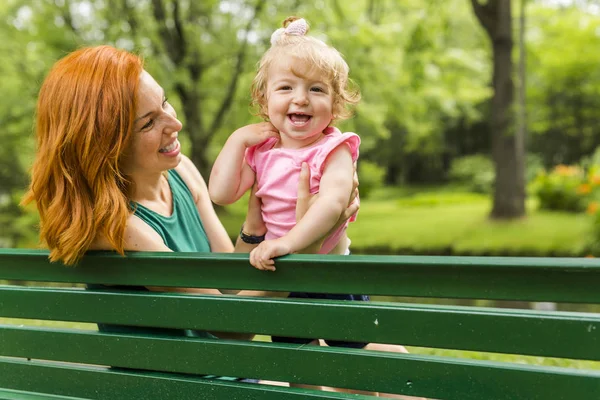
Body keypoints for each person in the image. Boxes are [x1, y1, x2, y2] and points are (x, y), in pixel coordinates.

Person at [20, 44, 357, 382]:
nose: (175, 123)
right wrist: (305, 252)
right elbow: (232, 329)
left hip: (234, 377)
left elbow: (230, 289)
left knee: (392, 366)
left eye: (165, 102)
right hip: (187, 388)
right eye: (149, 123)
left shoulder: (182, 173)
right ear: (105, 144)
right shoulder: (118, 226)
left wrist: (253, 230)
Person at [209, 17, 418, 398]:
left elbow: (334, 202)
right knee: (298, 362)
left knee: (364, 355)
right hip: (283, 278)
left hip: (328, 273)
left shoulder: (333, 148)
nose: (301, 98)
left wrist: (288, 241)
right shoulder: (261, 151)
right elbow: (222, 193)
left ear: (336, 106)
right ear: (265, 100)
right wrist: (237, 140)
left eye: (316, 89)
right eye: (286, 87)